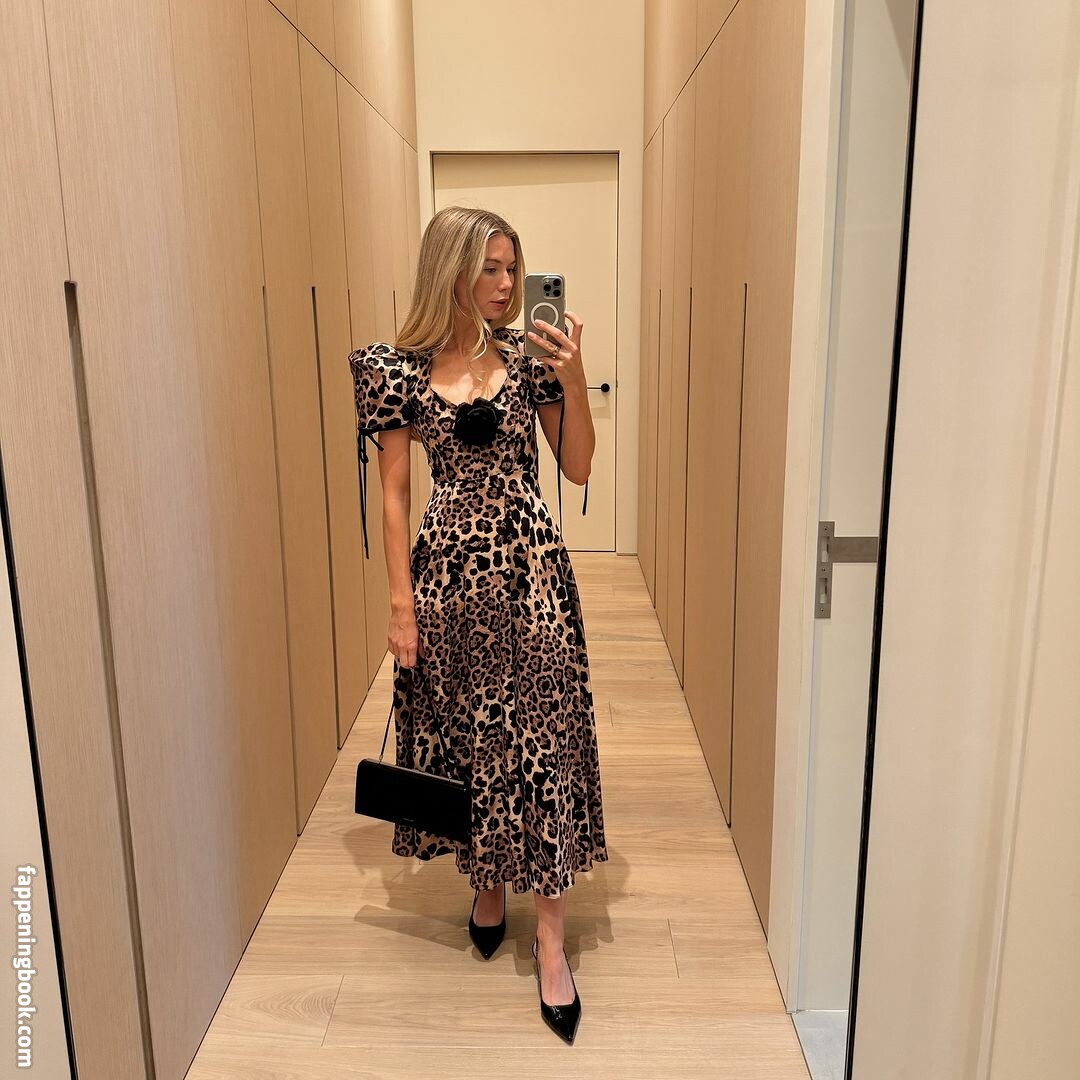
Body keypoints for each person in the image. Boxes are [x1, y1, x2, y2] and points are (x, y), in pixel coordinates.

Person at [348, 206, 608, 1044]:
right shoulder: (399, 371)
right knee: (470, 736)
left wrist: (572, 379)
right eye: (489, 268)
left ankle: (551, 939)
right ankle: (487, 881)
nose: (505, 284)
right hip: (449, 586)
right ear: (451, 272)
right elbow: (393, 495)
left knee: (544, 740)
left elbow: (578, 466)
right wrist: (400, 607)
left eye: (511, 268)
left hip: (532, 577)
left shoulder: (531, 363)